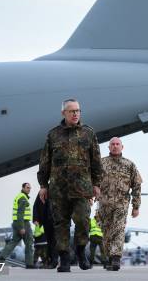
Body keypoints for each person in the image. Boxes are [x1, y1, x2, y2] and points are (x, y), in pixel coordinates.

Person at [37, 98, 103, 272]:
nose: (75, 114)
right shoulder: (53, 135)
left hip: (82, 188)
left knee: (82, 220)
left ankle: (81, 251)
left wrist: (97, 184)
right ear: (63, 113)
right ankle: (64, 258)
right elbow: (45, 162)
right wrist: (43, 185)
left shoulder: (88, 133)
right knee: (61, 224)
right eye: (71, 111)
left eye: (78, 111)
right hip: (58, 189)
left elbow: (96, 161)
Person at [98, 137, 142, 271]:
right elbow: (92, 182)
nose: (115, 146)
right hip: (104, 203)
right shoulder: (101, 163)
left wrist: (136, 206)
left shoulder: (129, 165)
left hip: (121, 204)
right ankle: (109, 258)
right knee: (106, 231)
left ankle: (116, 258)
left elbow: (137, 186)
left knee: (118, 229)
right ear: (109, 147)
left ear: (122, 147)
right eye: (112, 144)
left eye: (118, 144)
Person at [0, 183, 35, 268]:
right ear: (23, 188)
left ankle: (1, 257)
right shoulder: (23, 198)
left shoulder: (19, 196)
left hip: (16, 222)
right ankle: (29, 264)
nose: (29, 189)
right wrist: (21, 227)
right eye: (27, 188)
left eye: (30, 188)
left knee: (14, 241)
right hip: (23, 222)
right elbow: (20, 213)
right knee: (29, 243)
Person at [33, 190, 58, 268]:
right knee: (50, 241)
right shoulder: (44, 191)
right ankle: (51, 260)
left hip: (58, 219)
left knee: (54, 241)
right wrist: (36, 219)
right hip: (47, 220)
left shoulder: (61, 188)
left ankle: (55, 261)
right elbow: (36, 205)